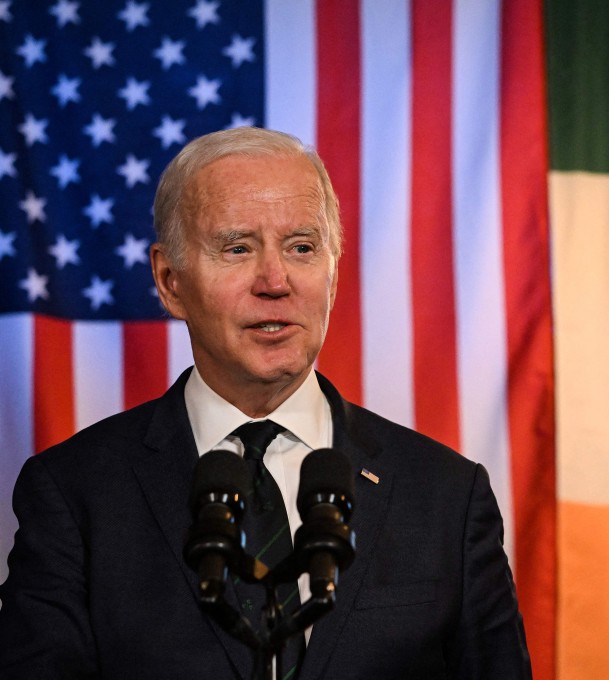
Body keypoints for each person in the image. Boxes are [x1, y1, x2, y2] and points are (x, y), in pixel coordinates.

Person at [0, 127, 531, 679]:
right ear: (169, 280)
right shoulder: (74, 493)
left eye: (302, 247)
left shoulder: (446, 494)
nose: (275, 281)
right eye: (237, 248)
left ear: (332, 271)